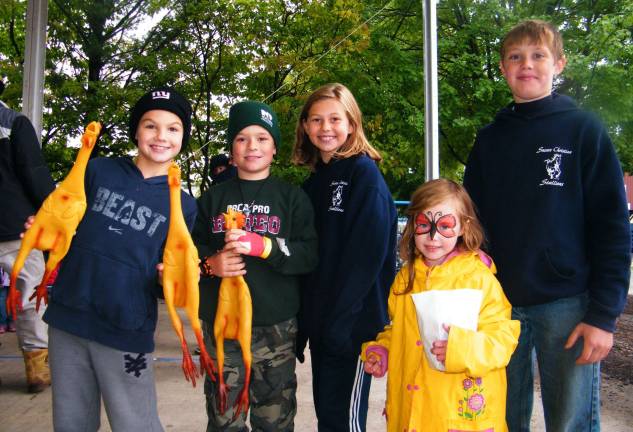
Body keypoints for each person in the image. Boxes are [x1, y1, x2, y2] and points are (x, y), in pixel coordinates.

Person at [463, 20, 631, 432]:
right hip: (497, 305)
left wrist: (604, 316)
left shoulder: (584, 131)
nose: (527, 65)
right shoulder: (489, 139)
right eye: (516, 57)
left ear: (558, 64)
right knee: (497, 417)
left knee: (570, 422)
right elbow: (470, 224)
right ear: (502, 68)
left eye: (538, 55)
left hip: (567, 304)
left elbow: (612, 227)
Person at [40, 86, 196, 431]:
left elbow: (168, 278)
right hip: (69, 318)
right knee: (70, 422)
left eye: (173, 128)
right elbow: (61, 226)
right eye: (150, 125)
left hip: (126, 328)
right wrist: (42, 230)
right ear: (136, 130)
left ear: (183, 136)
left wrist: (165, 279)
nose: (161, 136)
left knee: (134, 423)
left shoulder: (183, 204)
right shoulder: (97, 172)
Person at [193, 100, 318, 431]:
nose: (252, 146)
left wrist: (267, 246)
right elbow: (187, 253)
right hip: (222, 325)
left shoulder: (292, 198)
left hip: (275, 327)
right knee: (224, 418)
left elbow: (308, 255)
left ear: (275, 147)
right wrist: (210, 264)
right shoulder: (211, 199)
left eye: (262, 138)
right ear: (232, 150)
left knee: (274, 418)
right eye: (242, 138)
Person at [361, 179, 520, 432]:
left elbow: (502, 339)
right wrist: (384, 350)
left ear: (463, 227)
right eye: (424, 225)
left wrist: (460, 349)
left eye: (445, 226)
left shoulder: (478, 279)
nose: (433, 237)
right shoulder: (407, 277)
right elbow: (400, 328)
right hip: (411, 410)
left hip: (456, 413)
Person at [292, 83, 397, 432]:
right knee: (328, 416)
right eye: (317, 119)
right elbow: (309, 261)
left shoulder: (363, 174)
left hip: (351, 326)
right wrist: (304, 326)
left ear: (352, 124)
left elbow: (367, 258)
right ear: (305, 126)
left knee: (345, 421)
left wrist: (343, 322)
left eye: (335, 119)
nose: (325, 128)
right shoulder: (312, 184)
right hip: (323, 325)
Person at [0, 79, 56, 393]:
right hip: (15, 225)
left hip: (14, 224)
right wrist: (51, 216)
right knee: (31, 293)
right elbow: (34, 173)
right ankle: (37, 369)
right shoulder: (13, 123)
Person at [0, 266, 16, 333]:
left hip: (14, 276)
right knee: (1, 302)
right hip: (2, 278)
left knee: (13, 301)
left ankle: (11, 322)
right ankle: (2, 323)